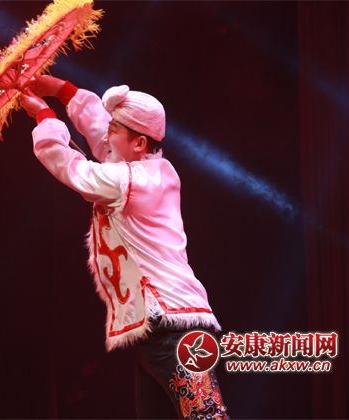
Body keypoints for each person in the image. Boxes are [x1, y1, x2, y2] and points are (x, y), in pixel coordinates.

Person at [18, 75, 230, 419]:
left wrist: (43, 116)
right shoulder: (146, 168)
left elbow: (75, 170)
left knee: (207, 416)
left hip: (173, 328)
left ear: (140, 143)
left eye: (114, 130)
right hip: (162, 328)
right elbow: (101, 135)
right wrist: (60, 90)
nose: (106, 136)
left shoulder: (134, 180)